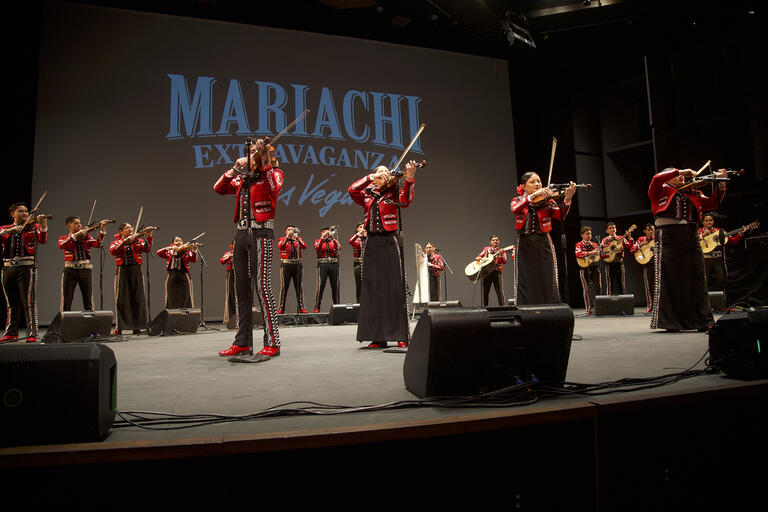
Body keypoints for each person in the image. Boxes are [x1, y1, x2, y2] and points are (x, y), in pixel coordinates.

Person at [213, 139, 282, 361]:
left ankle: (272, 342)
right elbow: (219, 188)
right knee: (240, 288)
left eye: (257, 152)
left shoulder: (274, 173)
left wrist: (264, 159)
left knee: (262, 287)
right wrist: (234, 168)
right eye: (251, 152)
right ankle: (242, 341)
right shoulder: (242, 180)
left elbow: (274, 186)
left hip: (262, 233)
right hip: (241, 234)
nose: (252, 155)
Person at [348, 161, 417, 348]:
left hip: (390, 240)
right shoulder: (366, 194)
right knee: (372, 289)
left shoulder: (393, 191)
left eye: (387, 172)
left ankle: (402, 334)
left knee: (395, 287)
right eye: (381, 173)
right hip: (371, 241)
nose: (385, 175)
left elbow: (406, 201)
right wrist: (371, 177)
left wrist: (409, 179)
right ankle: (378, 337)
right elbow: (351, 189)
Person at [649, 167, 728, 331]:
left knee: (697, 276)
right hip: (668, 236)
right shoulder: (660, 189)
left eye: (682, 176)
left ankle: (702, 320)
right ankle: (672, 322)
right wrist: (681, 171)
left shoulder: (693, 192)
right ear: (669, 178)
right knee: (670, 278)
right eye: (677, 176)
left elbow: (713, 203)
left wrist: (721, 184)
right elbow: (656, 178)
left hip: (691, 235)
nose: (681, 178)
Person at [510, 173, 576, 305]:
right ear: (524, 186)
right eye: (532, 182)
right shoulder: (517, 200)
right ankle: (525, 307)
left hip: (544, 242)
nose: (537, 184)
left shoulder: (548, 200)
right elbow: (515, 209)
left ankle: (550, 306)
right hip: (525, 243)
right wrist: (533, 196)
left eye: (539, 181)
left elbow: (560, 215)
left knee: (547, 275)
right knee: (526, 277)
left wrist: (567, 199)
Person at [0, 203, 48, 342]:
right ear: (12, 214)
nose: (25, 214)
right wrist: (11, 230)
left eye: (26, 211)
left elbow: (43, 240)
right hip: (8, 267)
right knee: (11, 302)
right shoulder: (5, 228)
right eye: (20, 211)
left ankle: (32, 333)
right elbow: (1, 234)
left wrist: (43, 225)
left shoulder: (33, 227)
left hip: (27, 267)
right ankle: (11, 332)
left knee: (29, 301)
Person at [109, 222, 154, 335]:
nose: (130, 229)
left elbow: (147, 249)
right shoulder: (116, 242)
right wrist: (125, 241)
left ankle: (137, 326)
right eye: (127, 228)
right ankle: (119, 328)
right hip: (122, 270)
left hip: (136, 270)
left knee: (137, 297)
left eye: (131, 227)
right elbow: (113, 251)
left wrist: (149, 236)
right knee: (121, 298)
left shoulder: (138, 241)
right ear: (121, 231)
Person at [699, 212, 746, 292]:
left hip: (718, 259)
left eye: (710, 220)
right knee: (705, 281)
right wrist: (703, 235)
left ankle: (723, 299)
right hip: (705, 259)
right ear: (703, 222)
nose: (709, 222)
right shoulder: (699, 231)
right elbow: (693, 242)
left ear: (713, 221)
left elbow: (733, 241)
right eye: (706, 220)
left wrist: (740, 233)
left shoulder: (720, 231)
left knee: (721, 280)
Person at [156, 236, 199, 309]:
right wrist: (169, 248)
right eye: (177, 241)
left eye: (180, 241)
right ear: (173, 243)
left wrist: (194, 251)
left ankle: (185, 312)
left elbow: (193, 260)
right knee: (171, 295)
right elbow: (158, 253)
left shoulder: (186, 251)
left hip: (183, 275)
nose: (179, 242)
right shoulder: (169, 251)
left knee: (185, 295)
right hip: (172, 275)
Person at [277, 225, 308, 314]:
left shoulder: (298, 239)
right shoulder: (282, 239)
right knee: (284, 287)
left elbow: (304, 247)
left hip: (297, 264)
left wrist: (297, 238)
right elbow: (280, 246)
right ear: (286, 231)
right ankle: (281, 308)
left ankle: (301, 307)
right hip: (286, 264)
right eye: (289, 230)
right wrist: (287, 237)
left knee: (299, 287)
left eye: (292, 229)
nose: (291, 231)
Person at [575, 226, 602, 315]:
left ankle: (599, 307)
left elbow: (597, 255)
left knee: (598, 287)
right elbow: (578, 254)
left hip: (594, 267)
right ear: (582, 235)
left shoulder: (594, 245)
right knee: (586, 289)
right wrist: (590, 253)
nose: (589, 235)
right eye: (587, 234)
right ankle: (588, 308)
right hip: (584, 268)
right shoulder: (579, 245)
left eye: (590, 233)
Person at [600, 222, 633, 295]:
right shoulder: (604, 240)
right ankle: (609, 302)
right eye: (610, 228)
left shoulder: (621, 238)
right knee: (610, 284)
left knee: (621, 283)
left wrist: (629, 237)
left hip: (619, 262)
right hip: (609, 264)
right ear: (607, 231)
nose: (612, 229)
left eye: (613, 228)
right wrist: (608, 253)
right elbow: (601, 253)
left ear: (616, 229)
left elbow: (630, 247)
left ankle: (623, 302)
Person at [475, 236, 509, 307]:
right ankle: (485, 307)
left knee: (499, 291)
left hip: (497, 272)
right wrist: (478, 258)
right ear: (490, 242)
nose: (495, 241)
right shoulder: (486, 249)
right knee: (485, 291)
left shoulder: (502, 251)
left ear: (499, 242)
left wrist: (500, 255)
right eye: (493, 240)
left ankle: (502, 307)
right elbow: (480, 256)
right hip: (487, 272)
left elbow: (504, 261)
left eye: (496, 240)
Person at [313, 227, 341, 313]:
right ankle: (317, 307)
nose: (326, 233)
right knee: (321, 286)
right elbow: (317, 248)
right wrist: (322, 238)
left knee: (335, 286)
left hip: (334, 264)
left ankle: (337, 306)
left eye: (328, 232)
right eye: (324, 232)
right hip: (323, 264)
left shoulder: (333, 241)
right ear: (321, 233)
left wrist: (333, 238)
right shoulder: (318, 241)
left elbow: (339, 248)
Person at [630, 223, 656, 313]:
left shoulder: (657, 240)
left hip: (657, 264)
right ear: (645, 231)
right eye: (649, 230)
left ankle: (659, 306)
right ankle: (650, 306)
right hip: (647, 265)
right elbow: (632, 249)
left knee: (658, 286)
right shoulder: (641, 239)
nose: (651, 232)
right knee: (648, 286)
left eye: (652, 230)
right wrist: (640, 245)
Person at [348, 222, 366, 303]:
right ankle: (359, 303)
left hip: (367, 263)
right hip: (358, 263)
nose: (362, 228)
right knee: (359, 285)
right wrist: (359, 234)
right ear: (357, 229)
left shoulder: (367, 238)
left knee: (369, 285)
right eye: (360, 227)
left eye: (363, 227)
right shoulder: (356, 239)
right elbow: (350, 241)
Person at [219, 242, 236, 328]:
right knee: (231, 295)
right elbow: (222, 261)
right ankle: (231, 317)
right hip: (231, 274)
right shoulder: (228, 253)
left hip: (242, 275)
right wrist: (229, 256)